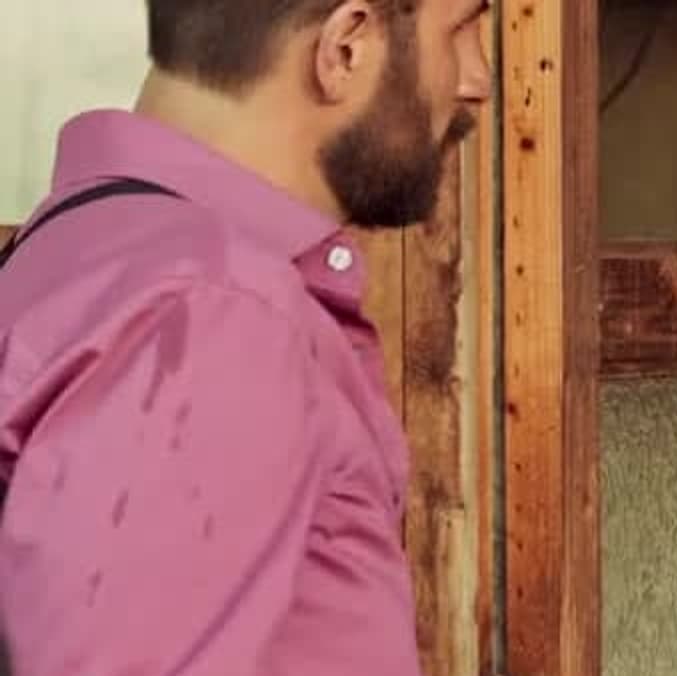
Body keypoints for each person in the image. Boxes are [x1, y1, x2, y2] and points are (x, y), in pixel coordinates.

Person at [0, 1, 491, 673]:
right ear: (345, 47)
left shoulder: (85, 247)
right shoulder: (211, 309)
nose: (477, 78)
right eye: (461, 28)